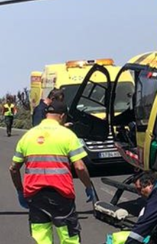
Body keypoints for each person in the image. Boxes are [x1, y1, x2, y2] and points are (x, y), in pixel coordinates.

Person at [11, 100, 98, 244]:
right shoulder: (67, 135)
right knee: (69, 238)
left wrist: (20, 191)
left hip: (35, 195)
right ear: (62, 116)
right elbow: (80, 167)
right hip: (61, 194)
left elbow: (13, 168)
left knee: (41, 239)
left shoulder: (28, 136)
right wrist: (89, 187)